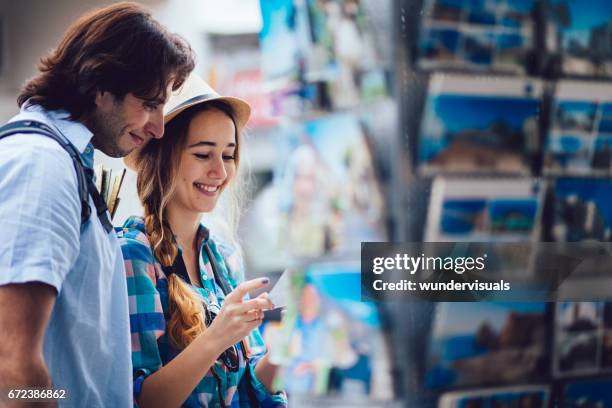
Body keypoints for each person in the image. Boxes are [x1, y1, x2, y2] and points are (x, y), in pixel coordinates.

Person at [0, 3, 194, 407]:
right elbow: (12, 361)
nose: (158, 128)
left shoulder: (67, 163)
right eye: (149, 104)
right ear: (101, 89)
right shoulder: (42, 165)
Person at [118, 73, 287, 407]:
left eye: (227, 155)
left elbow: (251, 388)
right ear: (162, 158)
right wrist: (218, 335)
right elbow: (142, 401)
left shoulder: (223, 257)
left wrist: (291, 345)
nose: (220, 173)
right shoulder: (133, 256)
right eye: (202, 154)